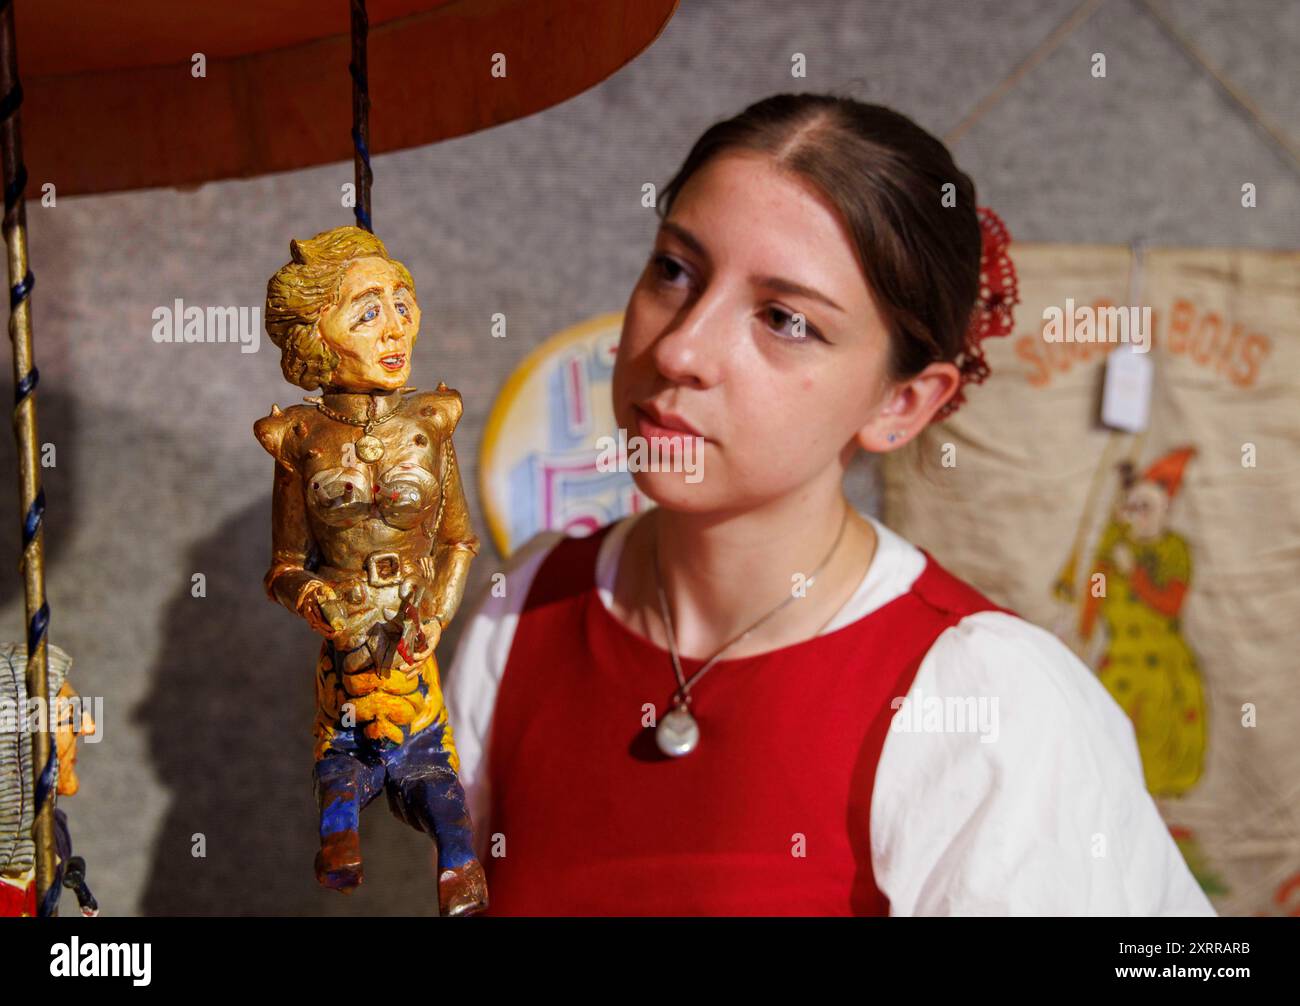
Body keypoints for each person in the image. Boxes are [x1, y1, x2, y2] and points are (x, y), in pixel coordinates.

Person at [445, 93, 1216, 916]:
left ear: (904, 405)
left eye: (784, 319)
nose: (679, 349)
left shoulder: (987, 705)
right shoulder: (523, 611)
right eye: (675, 270)